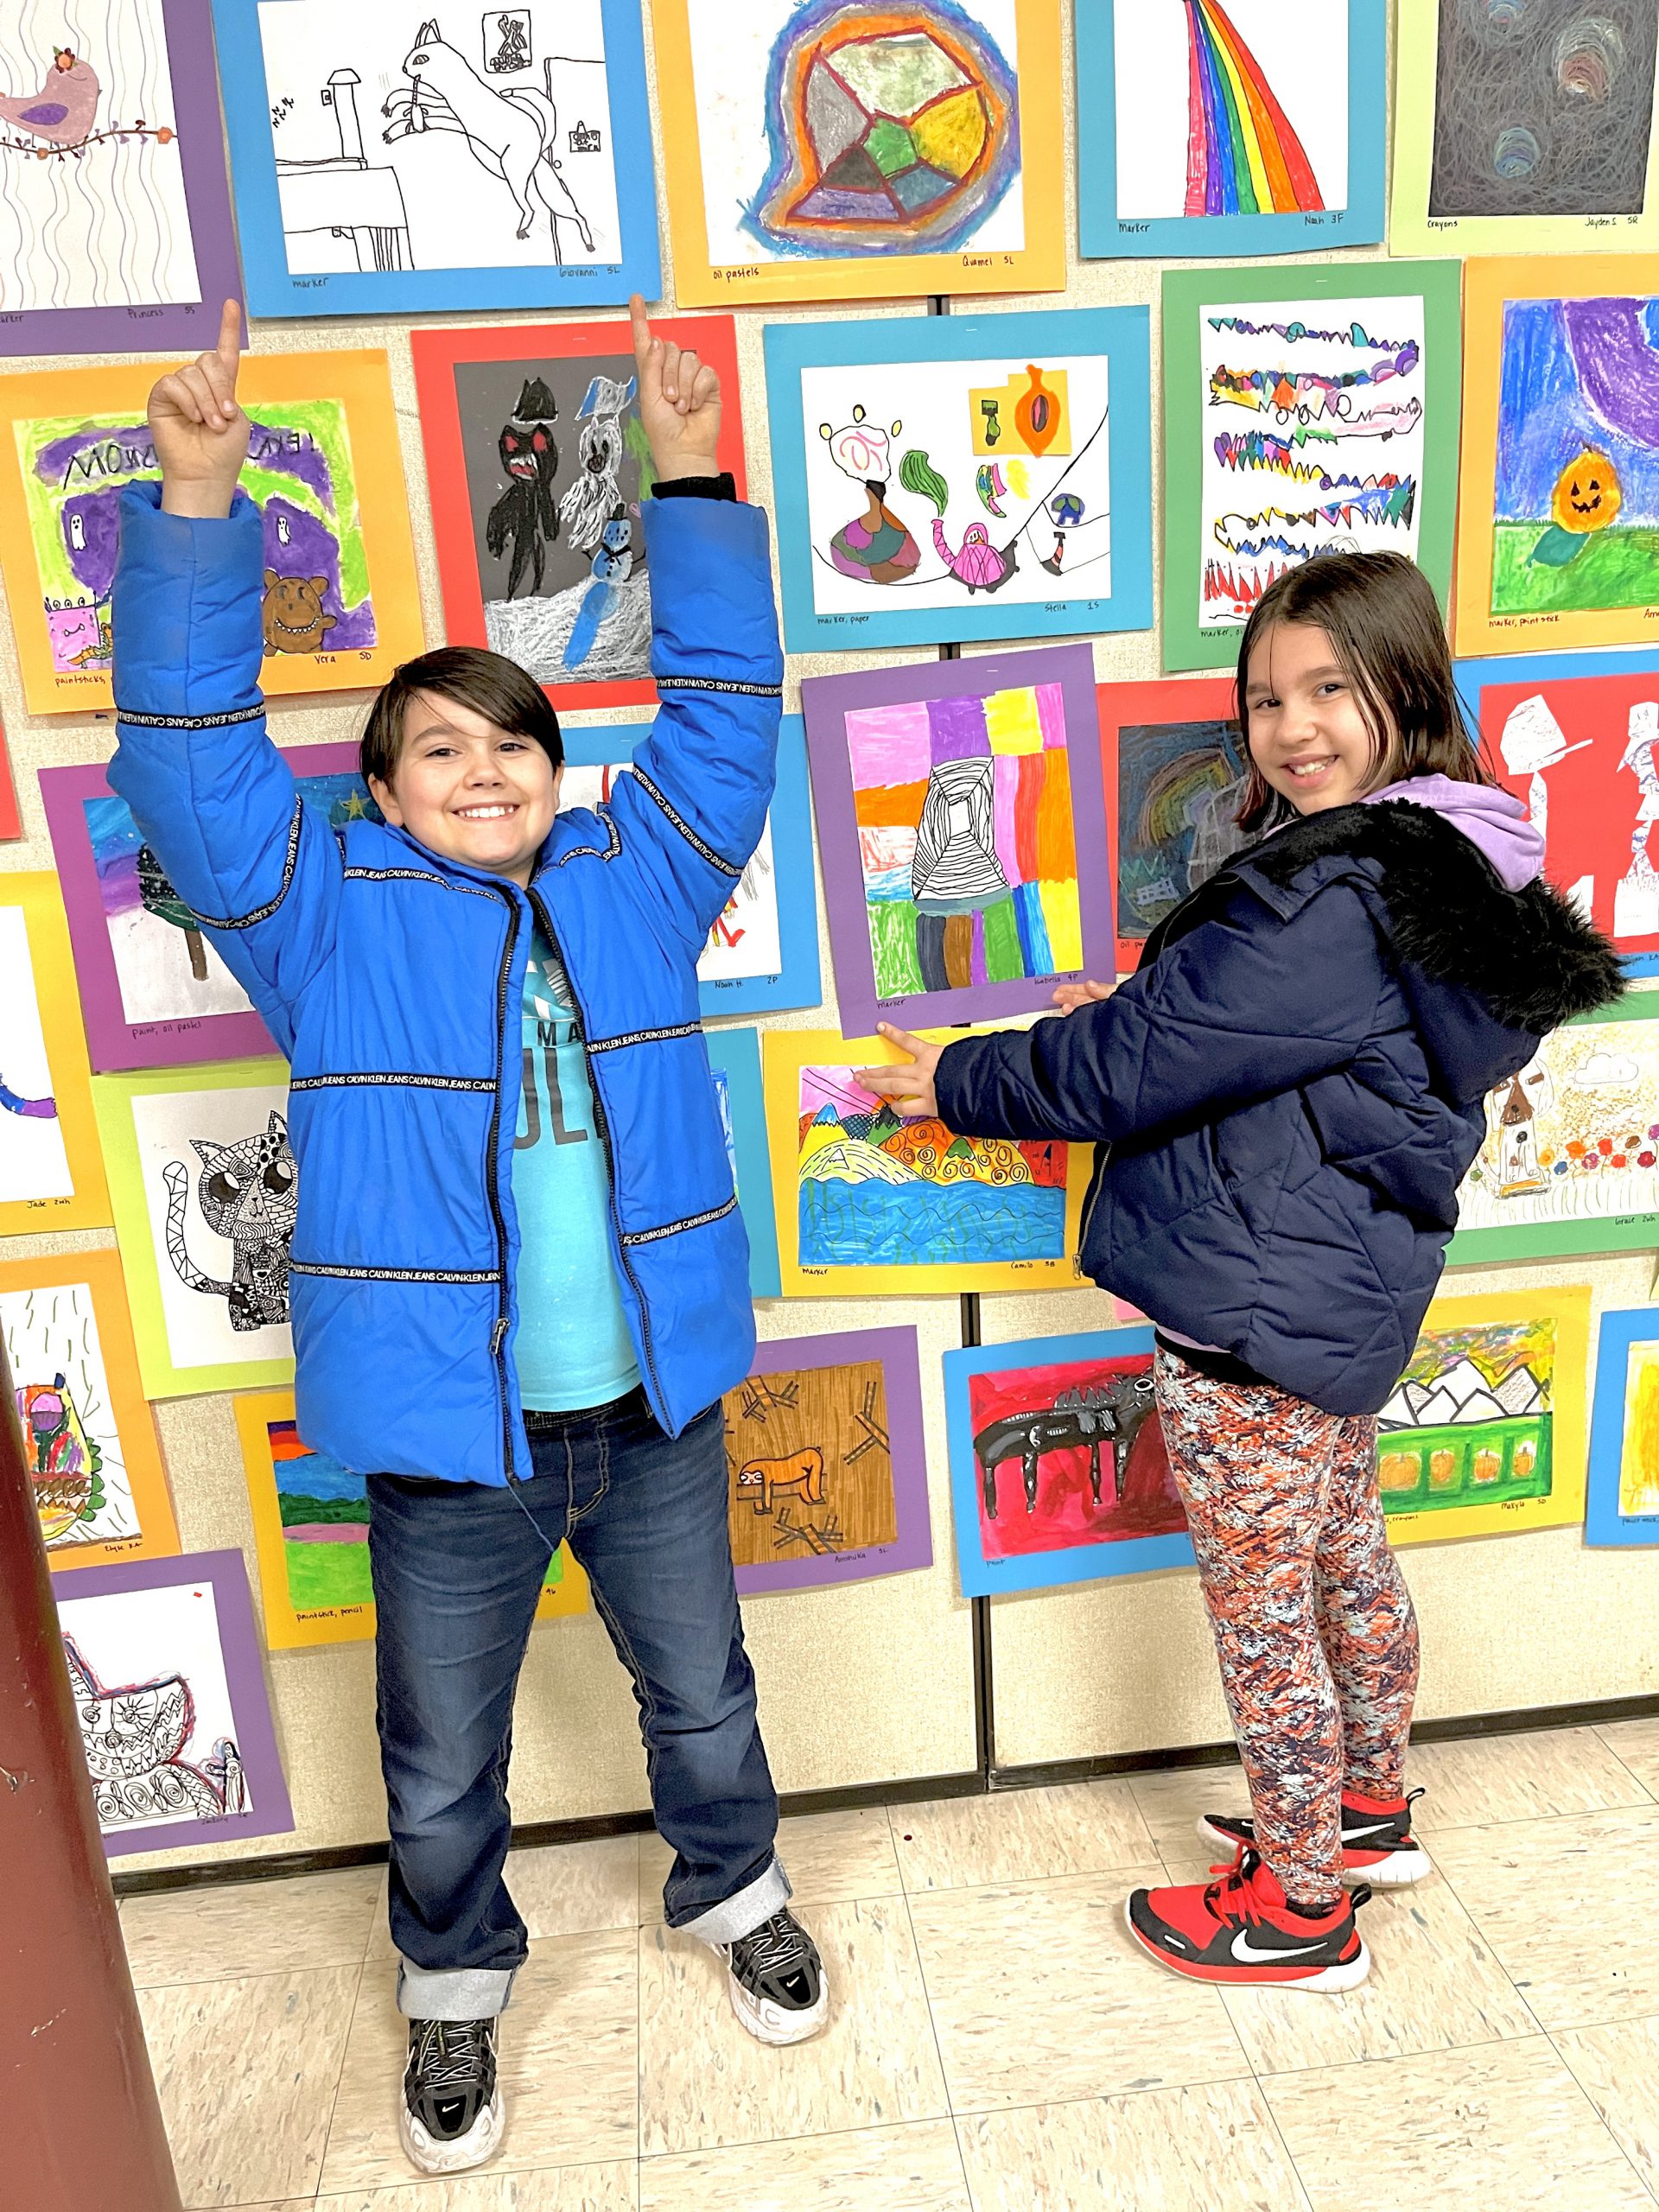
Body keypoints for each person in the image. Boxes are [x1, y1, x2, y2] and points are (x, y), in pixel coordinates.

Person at [112, 299, 826, 2178]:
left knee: (706, 1687)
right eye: (439, 750)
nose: (485, 768)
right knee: (438, 1753)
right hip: (451, 1439)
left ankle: (730, 1882)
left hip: (652, 1405)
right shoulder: (317, 915)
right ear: (381, 790)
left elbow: (733, 719)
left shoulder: (635, 875)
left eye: (511, 741)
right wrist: (198, 499)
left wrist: (690, 482)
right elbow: (186, 758)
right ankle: (452, 1991)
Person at [860, 552, 1623, 1993]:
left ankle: (1298, 1908)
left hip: (1255, 1309)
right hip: (1335, 1292)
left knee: (1263, 1613)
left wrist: (956, 1079)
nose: (1292, 728)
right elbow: (1251, 1042)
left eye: (1331, 688)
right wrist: (1154, 1008)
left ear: (1411, 687)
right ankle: (1367, 1811)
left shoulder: (1343, 893)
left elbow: (1149, 1064)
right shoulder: (1449, 858)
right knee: (1346, 1563)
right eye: (1267, 697)